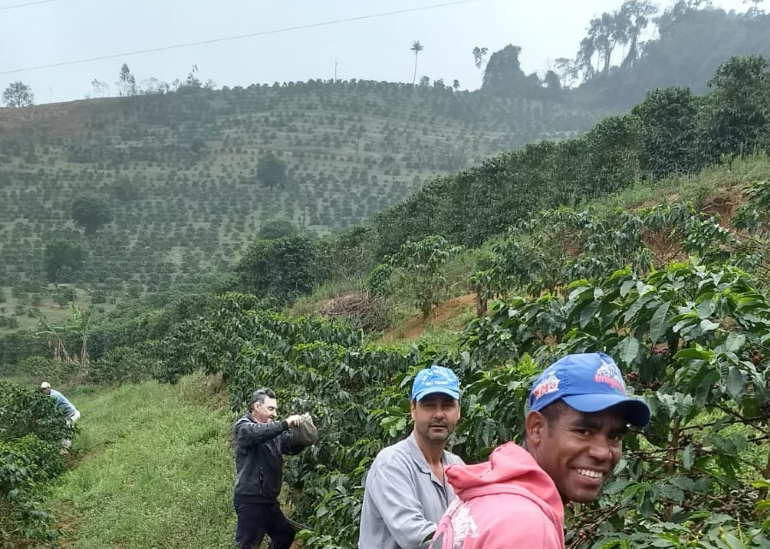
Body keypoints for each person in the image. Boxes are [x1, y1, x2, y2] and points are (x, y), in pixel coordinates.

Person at [428, 352, 651, 549]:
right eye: (583, 431)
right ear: (536, 428)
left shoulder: (487, 493)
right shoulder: (526, 525)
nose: (602, 452)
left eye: (614, 436)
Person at [358, 365, 465, 549]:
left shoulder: (458, 466)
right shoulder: (391, 464)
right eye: (429, 405)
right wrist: (477, 541)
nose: (439, 414)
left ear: (458, 411)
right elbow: (415, 536)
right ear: (413, 409)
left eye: (447, 405)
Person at [232, 387, 316, 549]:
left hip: (269, 501)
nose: (275, 414)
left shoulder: (273, 430)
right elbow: (257, 433)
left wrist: (302, 434)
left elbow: (289, 446)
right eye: (271, 409)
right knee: (246, 546)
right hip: (251, 501)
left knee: (284, 535)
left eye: (275, 409)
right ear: (257, 407)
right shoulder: (243, 427)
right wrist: (285, 424)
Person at [40, 381, 81, 454]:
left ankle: (65, 449)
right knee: (62, 430)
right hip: (66, 416)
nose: (45, 390)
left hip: (72, 415)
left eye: (46, 388)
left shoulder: (54, 396)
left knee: (67, 430)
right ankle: (62, 448)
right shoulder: (48, 396)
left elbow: (52, 409)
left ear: (49, 387)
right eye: (43, 389)